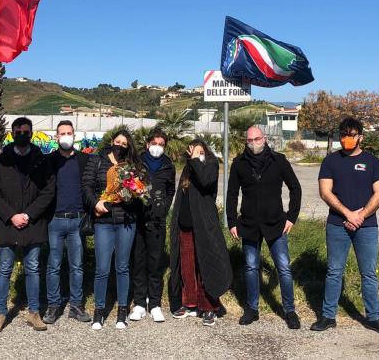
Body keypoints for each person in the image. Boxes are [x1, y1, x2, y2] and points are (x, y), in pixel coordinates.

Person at [310, 117, 379, 336]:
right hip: (337, 224)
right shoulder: (330, 162)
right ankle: (328, 316)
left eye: (351, 135)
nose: (347, 139)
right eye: (344, 135)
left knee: (369, 273)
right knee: (334, 271)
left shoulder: (373, 162)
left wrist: (361, 215)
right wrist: (348, 213)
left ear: (360, 137)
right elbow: (325, 192)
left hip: (367, 226)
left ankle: (373, 317)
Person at [226, 126, 302, 329]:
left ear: (265, 138)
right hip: (249, 224)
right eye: (249, 140)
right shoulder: (239, 163)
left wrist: (291, 217)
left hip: (276, 223)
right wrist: (231, 221)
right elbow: (232, 194)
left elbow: (295, 188)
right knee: (251, 267)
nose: (253, 143)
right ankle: (252, 309)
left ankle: (289, 310)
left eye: (256, 139)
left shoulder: (279, 161)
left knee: (284, 267)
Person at [0, 117, 55, 333]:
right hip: (7, 224)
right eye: (18, 131)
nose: (22, 135)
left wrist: (28, 214)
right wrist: (12, 216)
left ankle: (34, 313)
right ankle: (0, 313)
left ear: (32, 133)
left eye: (26, 131)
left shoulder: (41, 161)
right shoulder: (1, 161)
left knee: (33, 268)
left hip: (32, 224)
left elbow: (48, 192)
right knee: (4, 269)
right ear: (12, 133)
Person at [83, 129, 145, 330]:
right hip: (104, 222)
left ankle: (122, 312)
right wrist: (95, 203)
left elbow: (141, 188)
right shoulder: (97, 160)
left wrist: (136, 191)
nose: (120, 145)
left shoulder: (132, 165)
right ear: (111, 141)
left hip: (126, 221)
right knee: (102, 268)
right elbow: (87, 186)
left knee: (122, 267)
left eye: (124, 144)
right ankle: (99, 312)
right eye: (118, 142)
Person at [169, 139, 232, 326]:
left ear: (206, 152)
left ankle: (209, 307)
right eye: (192, 152)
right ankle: (189, 303)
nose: (195, 154)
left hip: (204, 226)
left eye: (199, 151)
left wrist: (196, 160)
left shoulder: (210, 165)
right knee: (187, 266)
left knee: (206, 265)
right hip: (185, 226)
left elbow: (206, 181)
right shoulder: (189, 168)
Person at [43, 121, 91, 324]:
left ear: (74, 135)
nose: (65, 136)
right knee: (53, 265)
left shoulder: (84, 160)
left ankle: (76, 306)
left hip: (77, 222)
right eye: (62, 133)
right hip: (55, 221)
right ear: (56, 137)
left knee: (77, 266)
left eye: (69, 133)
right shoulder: (48, 161)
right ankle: (53, 306)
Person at [129, 128, 176, 323]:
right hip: (139, 218)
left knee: (156, 262)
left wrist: (163, 208)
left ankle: (155, 303)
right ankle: (139, 303)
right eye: (155, 144)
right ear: (148, 144)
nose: (157, 147)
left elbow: (170, 189)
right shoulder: (137, 162)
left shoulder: (168, 166)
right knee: (139, 261)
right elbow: (129, 184)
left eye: (161, 145)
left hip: (157, 221)